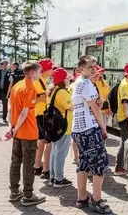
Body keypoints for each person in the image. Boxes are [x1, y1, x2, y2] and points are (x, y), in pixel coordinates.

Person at [71, 55, 111, 214]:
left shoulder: (78, 83)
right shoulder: (86, 83)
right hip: (89, 128)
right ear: (81, 69)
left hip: (78, 129)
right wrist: (103, 127)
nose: (93, 69)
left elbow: (92, 102)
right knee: (99, 164)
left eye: (95, 66)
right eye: (90, 67)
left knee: (84, 162)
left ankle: (82, 198)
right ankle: (97, 199)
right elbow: (95, 109)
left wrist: (98, 101)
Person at [8, 60, 46, 206]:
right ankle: (28, 195)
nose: (40, 74)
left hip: (17, 131)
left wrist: (11, 127)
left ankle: (14, 191)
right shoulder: (30, 88)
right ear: (33, 73)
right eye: (39, 71)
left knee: (15, 161)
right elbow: (24, 113)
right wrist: (16, 128)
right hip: (28, 132)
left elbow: (11, 108)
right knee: (28, 164)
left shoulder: (17, 86)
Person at [47, 68, 73, 188]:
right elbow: (71, 107)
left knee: (54, 152)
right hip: (63, 127)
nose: (68, 79)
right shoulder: (62, 92)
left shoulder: (52, 90)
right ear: (63, 79)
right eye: (67, 78)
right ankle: (59, 179)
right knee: (60, 154)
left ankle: (53, 178)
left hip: (54, 127)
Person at [33, 58, 55, 179]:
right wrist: (48, 94)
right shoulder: (38, 82)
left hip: (41, 114)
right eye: (51, 67)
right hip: (42, 114)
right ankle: (46, 170)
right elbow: (34, 99)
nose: (52, 69)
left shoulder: (44, 80)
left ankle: (37, 166)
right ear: (45, 69)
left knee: (41, 141)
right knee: (49, 142)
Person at [67, 70, 80, 165]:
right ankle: (75, 157)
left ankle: (77, 157)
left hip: (77, 113)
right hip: (74, 113)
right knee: (75, 138)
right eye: (77, 72)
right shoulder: (72, 86)